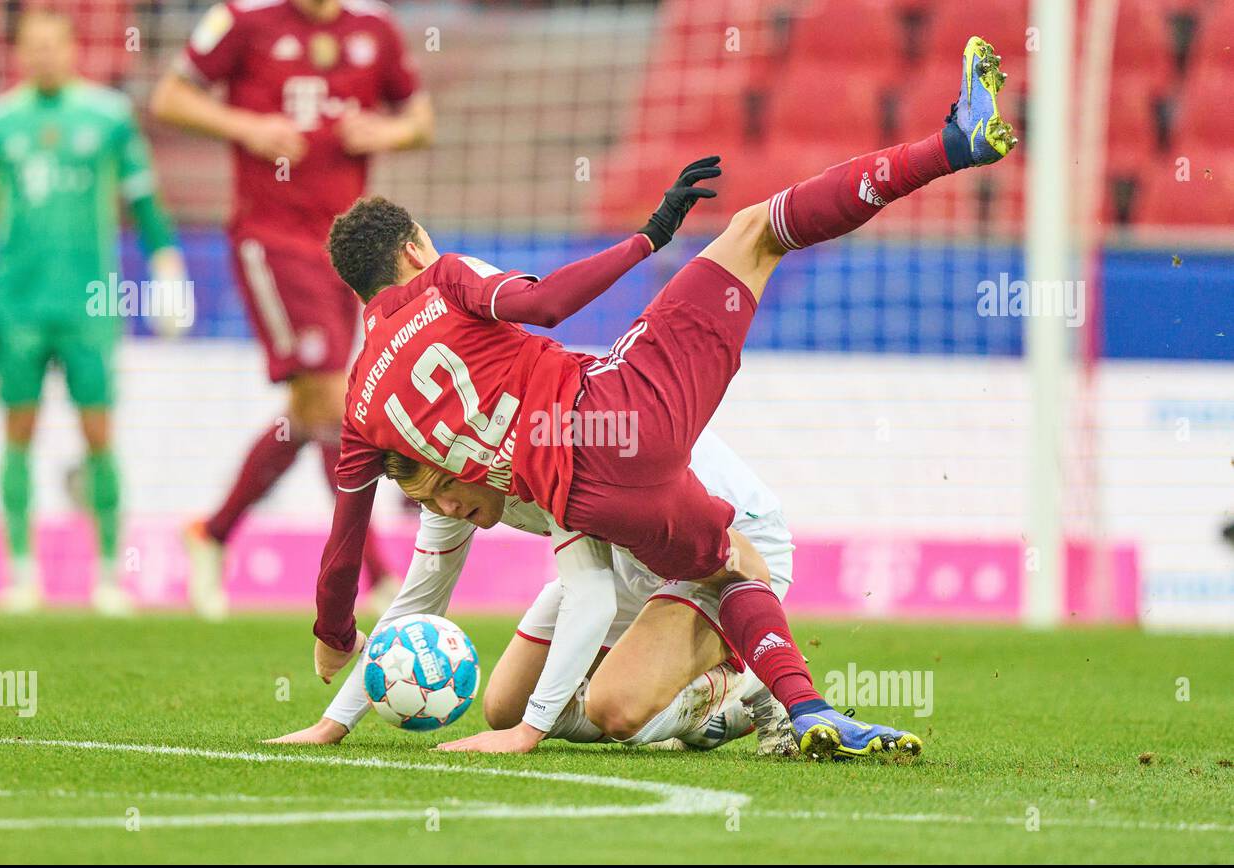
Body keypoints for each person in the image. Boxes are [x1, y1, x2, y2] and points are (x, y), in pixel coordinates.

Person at [313, 36, 1016, 758]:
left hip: (603, 499)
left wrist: (333, 639)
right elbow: (548, 303)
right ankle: (950, 145)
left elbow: (348, 544)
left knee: (673, 621)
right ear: (415, 249)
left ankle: (763, 701)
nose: (446, 509)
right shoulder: (453, 290)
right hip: (619, 420)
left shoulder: (388, 420)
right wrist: (648, 238)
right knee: (754, 231)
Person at [150, 0, 432, 618]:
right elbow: (170, 96)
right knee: (334, 400)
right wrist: (245, 126)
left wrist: (384, 132)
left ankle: (212, 534)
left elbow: (420, 119)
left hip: (348, 246)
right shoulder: (244, 18)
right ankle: (379, 577)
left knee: (311, 410)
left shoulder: (373, 26)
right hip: (272, 238)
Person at [268, 429, 799, 757]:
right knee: (504, 706)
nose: (444, 509)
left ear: (467, 459)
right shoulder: (451, 489)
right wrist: (331, 724)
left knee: (614, 708)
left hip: (729, 550)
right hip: (629, 557)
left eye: (445, 490)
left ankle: (753, 689)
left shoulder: (541, 459)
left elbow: (591, 600)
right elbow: (416, 605)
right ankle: (708, 717)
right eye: (424, 501)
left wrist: (531, 733)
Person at [0, 8, 191, 615]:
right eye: (34, 47)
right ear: (20, 52)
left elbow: (142, 197)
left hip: (91, 304)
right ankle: (21, 575)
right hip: (20, 304)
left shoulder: (107, 117)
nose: (45, 56)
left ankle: (109, 575)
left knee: (98, 433)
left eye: (55, 45)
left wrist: (166, 263)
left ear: (73, 48)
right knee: (17, 433)